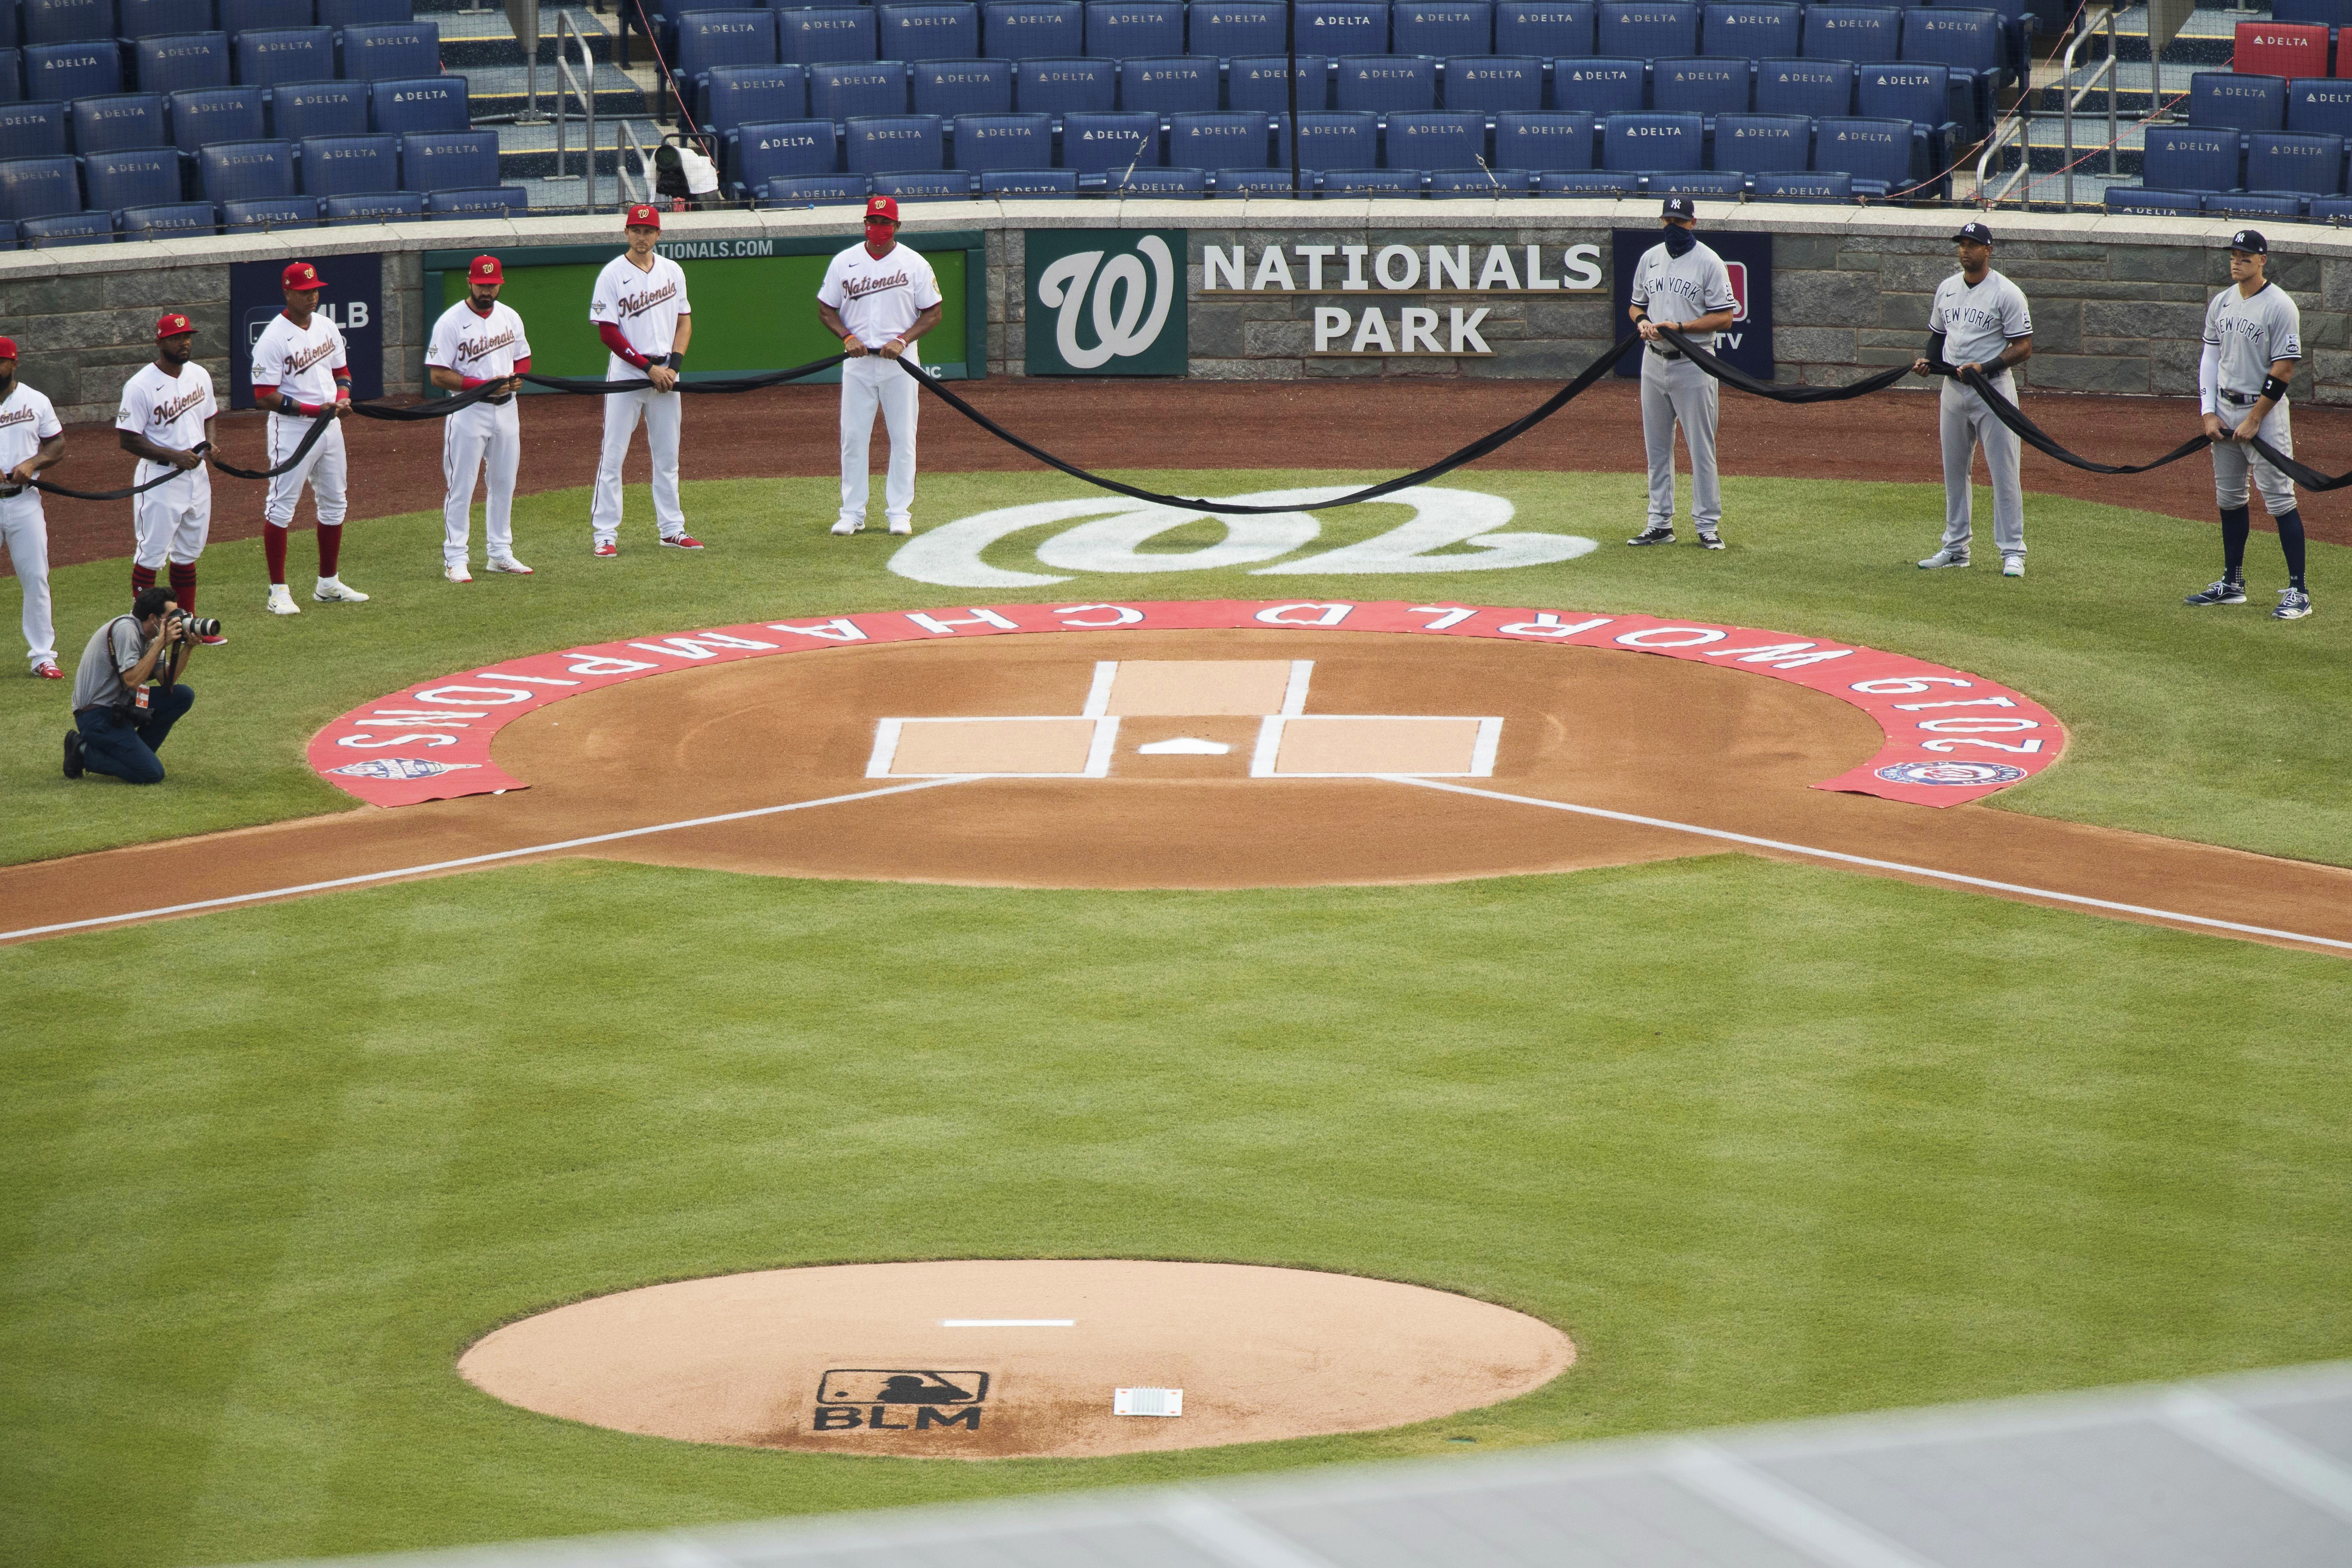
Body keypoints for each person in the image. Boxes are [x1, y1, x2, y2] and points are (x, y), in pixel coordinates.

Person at [2187, 230, 2312, 620]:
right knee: (2229, 499)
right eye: (2234, 255)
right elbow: (2210, 360)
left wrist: (2256, 418)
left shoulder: (2280, 306)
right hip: (2224, 412)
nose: (2237, 261)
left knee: (2279, 499)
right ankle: (2233, 582)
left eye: (2245, 256)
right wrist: (2209, 412)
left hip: (2266, 415)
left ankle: (2298, 591)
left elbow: (2284, 368)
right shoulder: (2222, 302)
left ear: (2263, 261)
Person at [1912, 222, 2035, 578]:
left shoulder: (2007, 293)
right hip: (1953, 389)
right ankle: (1955, 549)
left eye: (1973, 245)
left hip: (1993, 390)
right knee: (1954, 470)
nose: (1965, 250)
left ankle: (2013, 551)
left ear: (1988, 250)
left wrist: (1986, 367)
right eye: (1962, 244)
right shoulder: (1947, 289)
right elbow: (1937, 336)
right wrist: (1929, 363)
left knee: (2004, 471)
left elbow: (2024, 347)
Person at [818, 193, 944, 538]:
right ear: (865, 224)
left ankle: (899, 513)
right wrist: (846, 336)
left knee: (903, 437)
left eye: (885, 223)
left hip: (900, 363)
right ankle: (852, 513)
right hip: (857, 362)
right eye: (873, 222)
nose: (878, 228)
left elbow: (933, 312)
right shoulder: (845, 262)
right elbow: (826, 308)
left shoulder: (915, 263)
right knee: (854, 437)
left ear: (897, 226)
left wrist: (903, 339)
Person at [251, 259, 367, 616]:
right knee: (281, 507)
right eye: (304, 292)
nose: (312, 296)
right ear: (287, 293)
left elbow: (342, 371)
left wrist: (344, 396)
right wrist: (316, 410)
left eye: (315, 290)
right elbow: (264, 395)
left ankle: (328, 584)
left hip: (330, 427)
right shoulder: (272, 338)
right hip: (292, 430)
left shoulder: (327, 326)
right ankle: (278, 591)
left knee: (335, 503)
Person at [1625, 196, 1740, 551]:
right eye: (1668, 221)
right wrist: (1643, 322)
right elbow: (1635, 306)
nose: (1674, 227)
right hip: (1654, 361)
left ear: (1693, 223)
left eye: (1680, 221)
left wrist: (1680, 327)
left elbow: (1725, 317)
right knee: (1656, 448)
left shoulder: (1709, 262)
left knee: (1700, 448)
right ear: (1662, 222)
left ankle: (1708, 526)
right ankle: (1659, 523)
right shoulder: (1650, 259)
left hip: (1695, 362)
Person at [588, 204, 701, 557]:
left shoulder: (673, 270)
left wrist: (674, 365)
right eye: (636, 230)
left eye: (648, 231)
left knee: (668, 456)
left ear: (658, 234)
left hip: (667, 375)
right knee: (613, 455)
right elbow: (608, 333)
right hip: (626, 374)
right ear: (626, 233)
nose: (642, 237)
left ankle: (672, 530)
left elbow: (685, 320)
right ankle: (605, 534)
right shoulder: (611, 274)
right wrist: (647, 368)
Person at [426, 254, 535, 583]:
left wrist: (518, 378)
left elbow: (524, 358)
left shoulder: (510, 317)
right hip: (467, 410)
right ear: (469, 282)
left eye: (492, 285)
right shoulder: (450, 322)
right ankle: (455, 558)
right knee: (462, 486)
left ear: (500, 285)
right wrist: (480, 385)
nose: (487, 290)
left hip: (507, 409)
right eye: (481, 284)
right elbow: (438, 376)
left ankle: (500, 553)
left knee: (504, 483)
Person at [118, 312, 225, 638]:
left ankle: (188, 627)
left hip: (197, 477)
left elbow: (209, 416)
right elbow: (128, 438)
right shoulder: (140, 386)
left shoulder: (199, 375)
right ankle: (142, 632)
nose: (184, 342)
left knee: (189, 552)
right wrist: (174, 455)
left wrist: (210, 444)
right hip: (159, 479)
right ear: (160, 341)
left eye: (188, 336)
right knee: (151, 555)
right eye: (177, 338)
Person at [62, 586, 198, 784]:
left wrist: (188, 648)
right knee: (152, 774)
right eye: (172, 616)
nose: (177, 620)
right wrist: (162, 642)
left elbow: (167, 681)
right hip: (97, 716)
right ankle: (82, 751)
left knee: (182, 696)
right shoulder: (126, 630)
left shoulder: (150, 637)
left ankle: (133, 754)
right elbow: (132, 680)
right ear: (154, 618)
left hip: (123, 707)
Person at [0, 335, 64, 679]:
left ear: (14, 363)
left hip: (24, 502)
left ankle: (43, 656)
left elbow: (57, 444)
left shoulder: (36, 401)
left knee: (36, 578)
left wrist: (34, 462)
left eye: (0, 361)